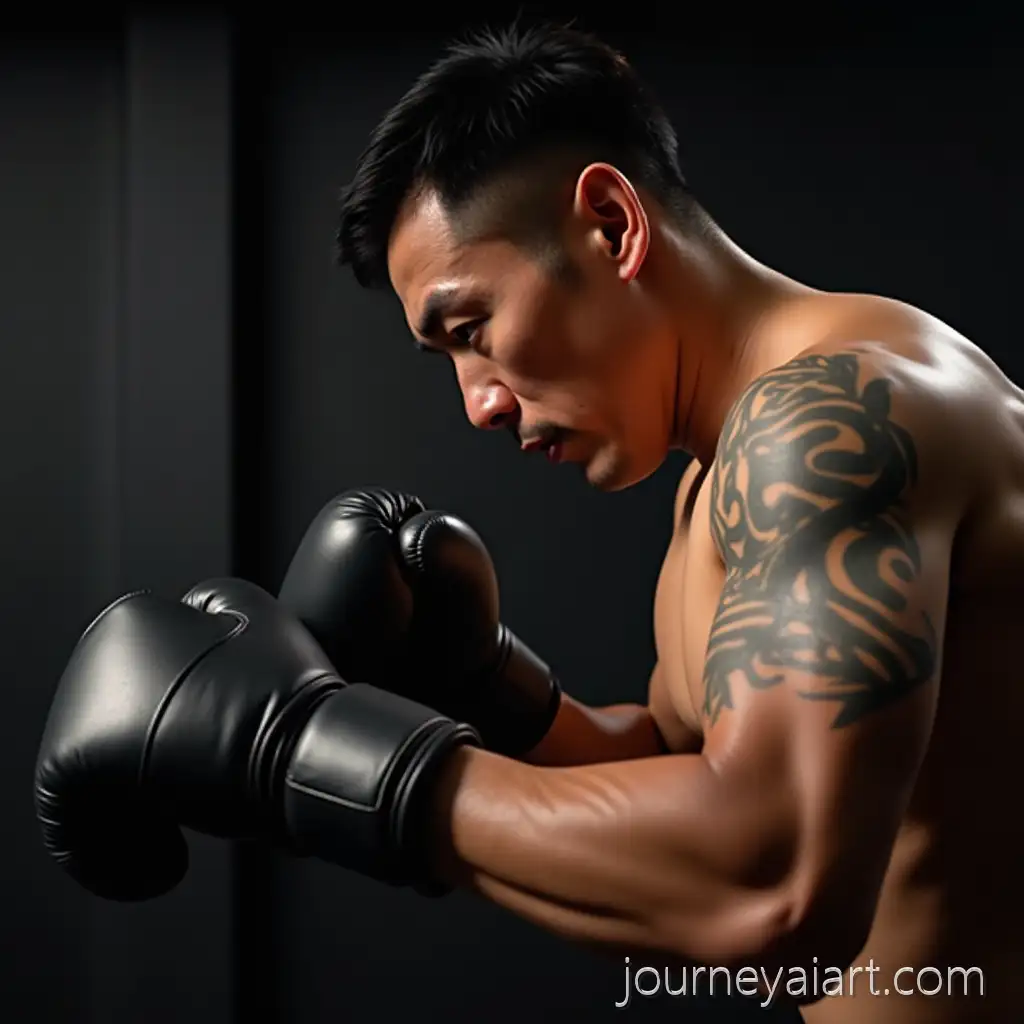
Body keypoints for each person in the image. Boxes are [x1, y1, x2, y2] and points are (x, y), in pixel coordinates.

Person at [33, 21, 1018, 1024]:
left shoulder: (826, 422)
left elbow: (771, 881)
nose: (480, 404)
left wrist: (298, 749)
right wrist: (491, 692)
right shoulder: (724, 471)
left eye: (473, 330)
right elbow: (695, 774)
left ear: (610, 224)